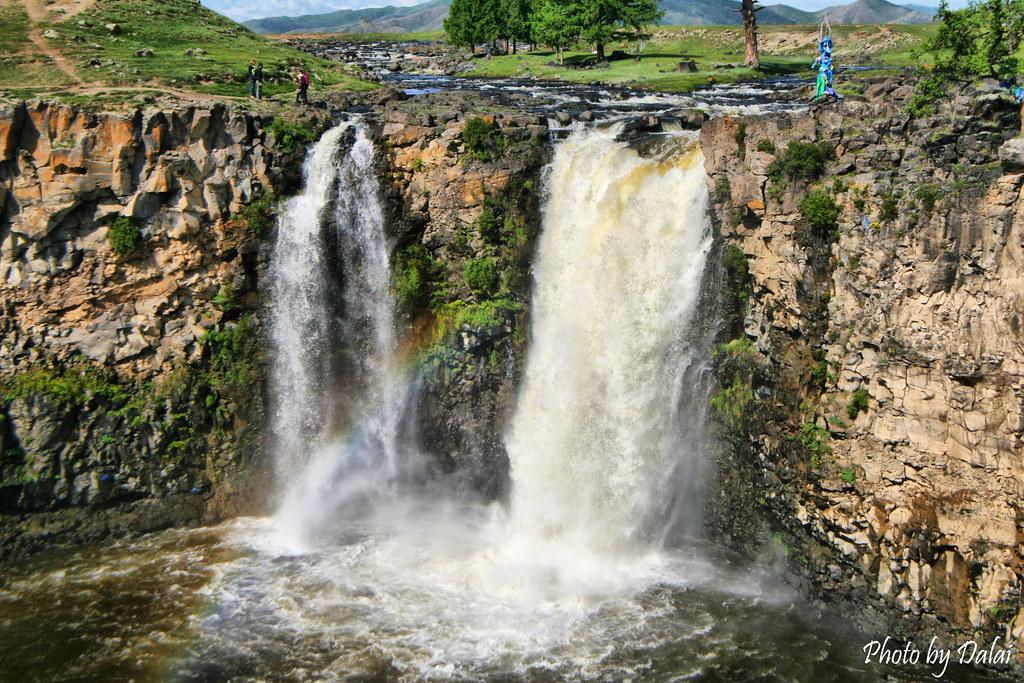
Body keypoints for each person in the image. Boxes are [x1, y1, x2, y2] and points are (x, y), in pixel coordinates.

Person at [811, 17, 842, 105]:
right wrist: (815, 62)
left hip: (828, 69)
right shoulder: (823, 53)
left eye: (827, 44)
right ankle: (823, 90)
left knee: (828, 79)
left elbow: (829, 51)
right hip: (824, 69)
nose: (826, 45)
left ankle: (827, 90)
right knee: (824, 78)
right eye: (825, 44)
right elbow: (819, 58)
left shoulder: (828, 52)